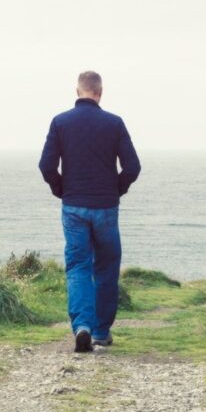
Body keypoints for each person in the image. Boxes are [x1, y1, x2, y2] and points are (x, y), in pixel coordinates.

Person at [37, 70, 141, 353]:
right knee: (106, 266)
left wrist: (61, 190)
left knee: (78, 267)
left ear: (77, 91)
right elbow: (132, 167)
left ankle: (81, 325)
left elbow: (46, 166)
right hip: (106, 207)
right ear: (100, 92)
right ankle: (101, 332)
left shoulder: (60, 123)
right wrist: (116, 189)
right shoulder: (114, 123)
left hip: (73, 207)